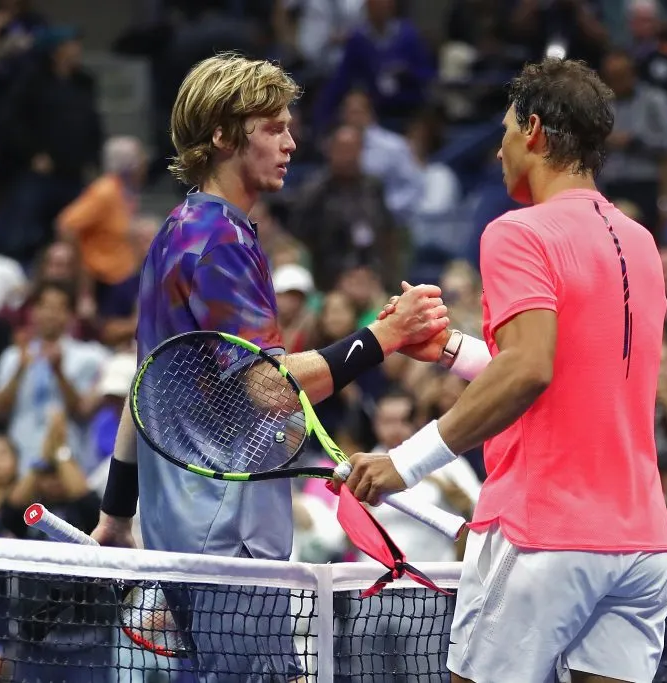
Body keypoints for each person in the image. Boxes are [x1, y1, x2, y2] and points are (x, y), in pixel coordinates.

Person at [88, 53, 448, 682]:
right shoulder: (221, 238)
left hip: (181, 532)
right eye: (273, 127)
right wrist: (385, 335)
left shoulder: (174, 231)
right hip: (230, 533)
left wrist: (117, 514)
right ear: (226, 135)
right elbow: (272, 390)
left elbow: (143, 394)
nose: (291, 141)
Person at [342, 57, 667, 683]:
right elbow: (566, 367)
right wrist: (450, 351)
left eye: (503, 133)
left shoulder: (518, 233)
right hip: (641, 544)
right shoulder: (641, 241)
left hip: (543, 536)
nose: (497, 152)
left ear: (535, 132)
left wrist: (402, 463)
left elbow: (527, 369)